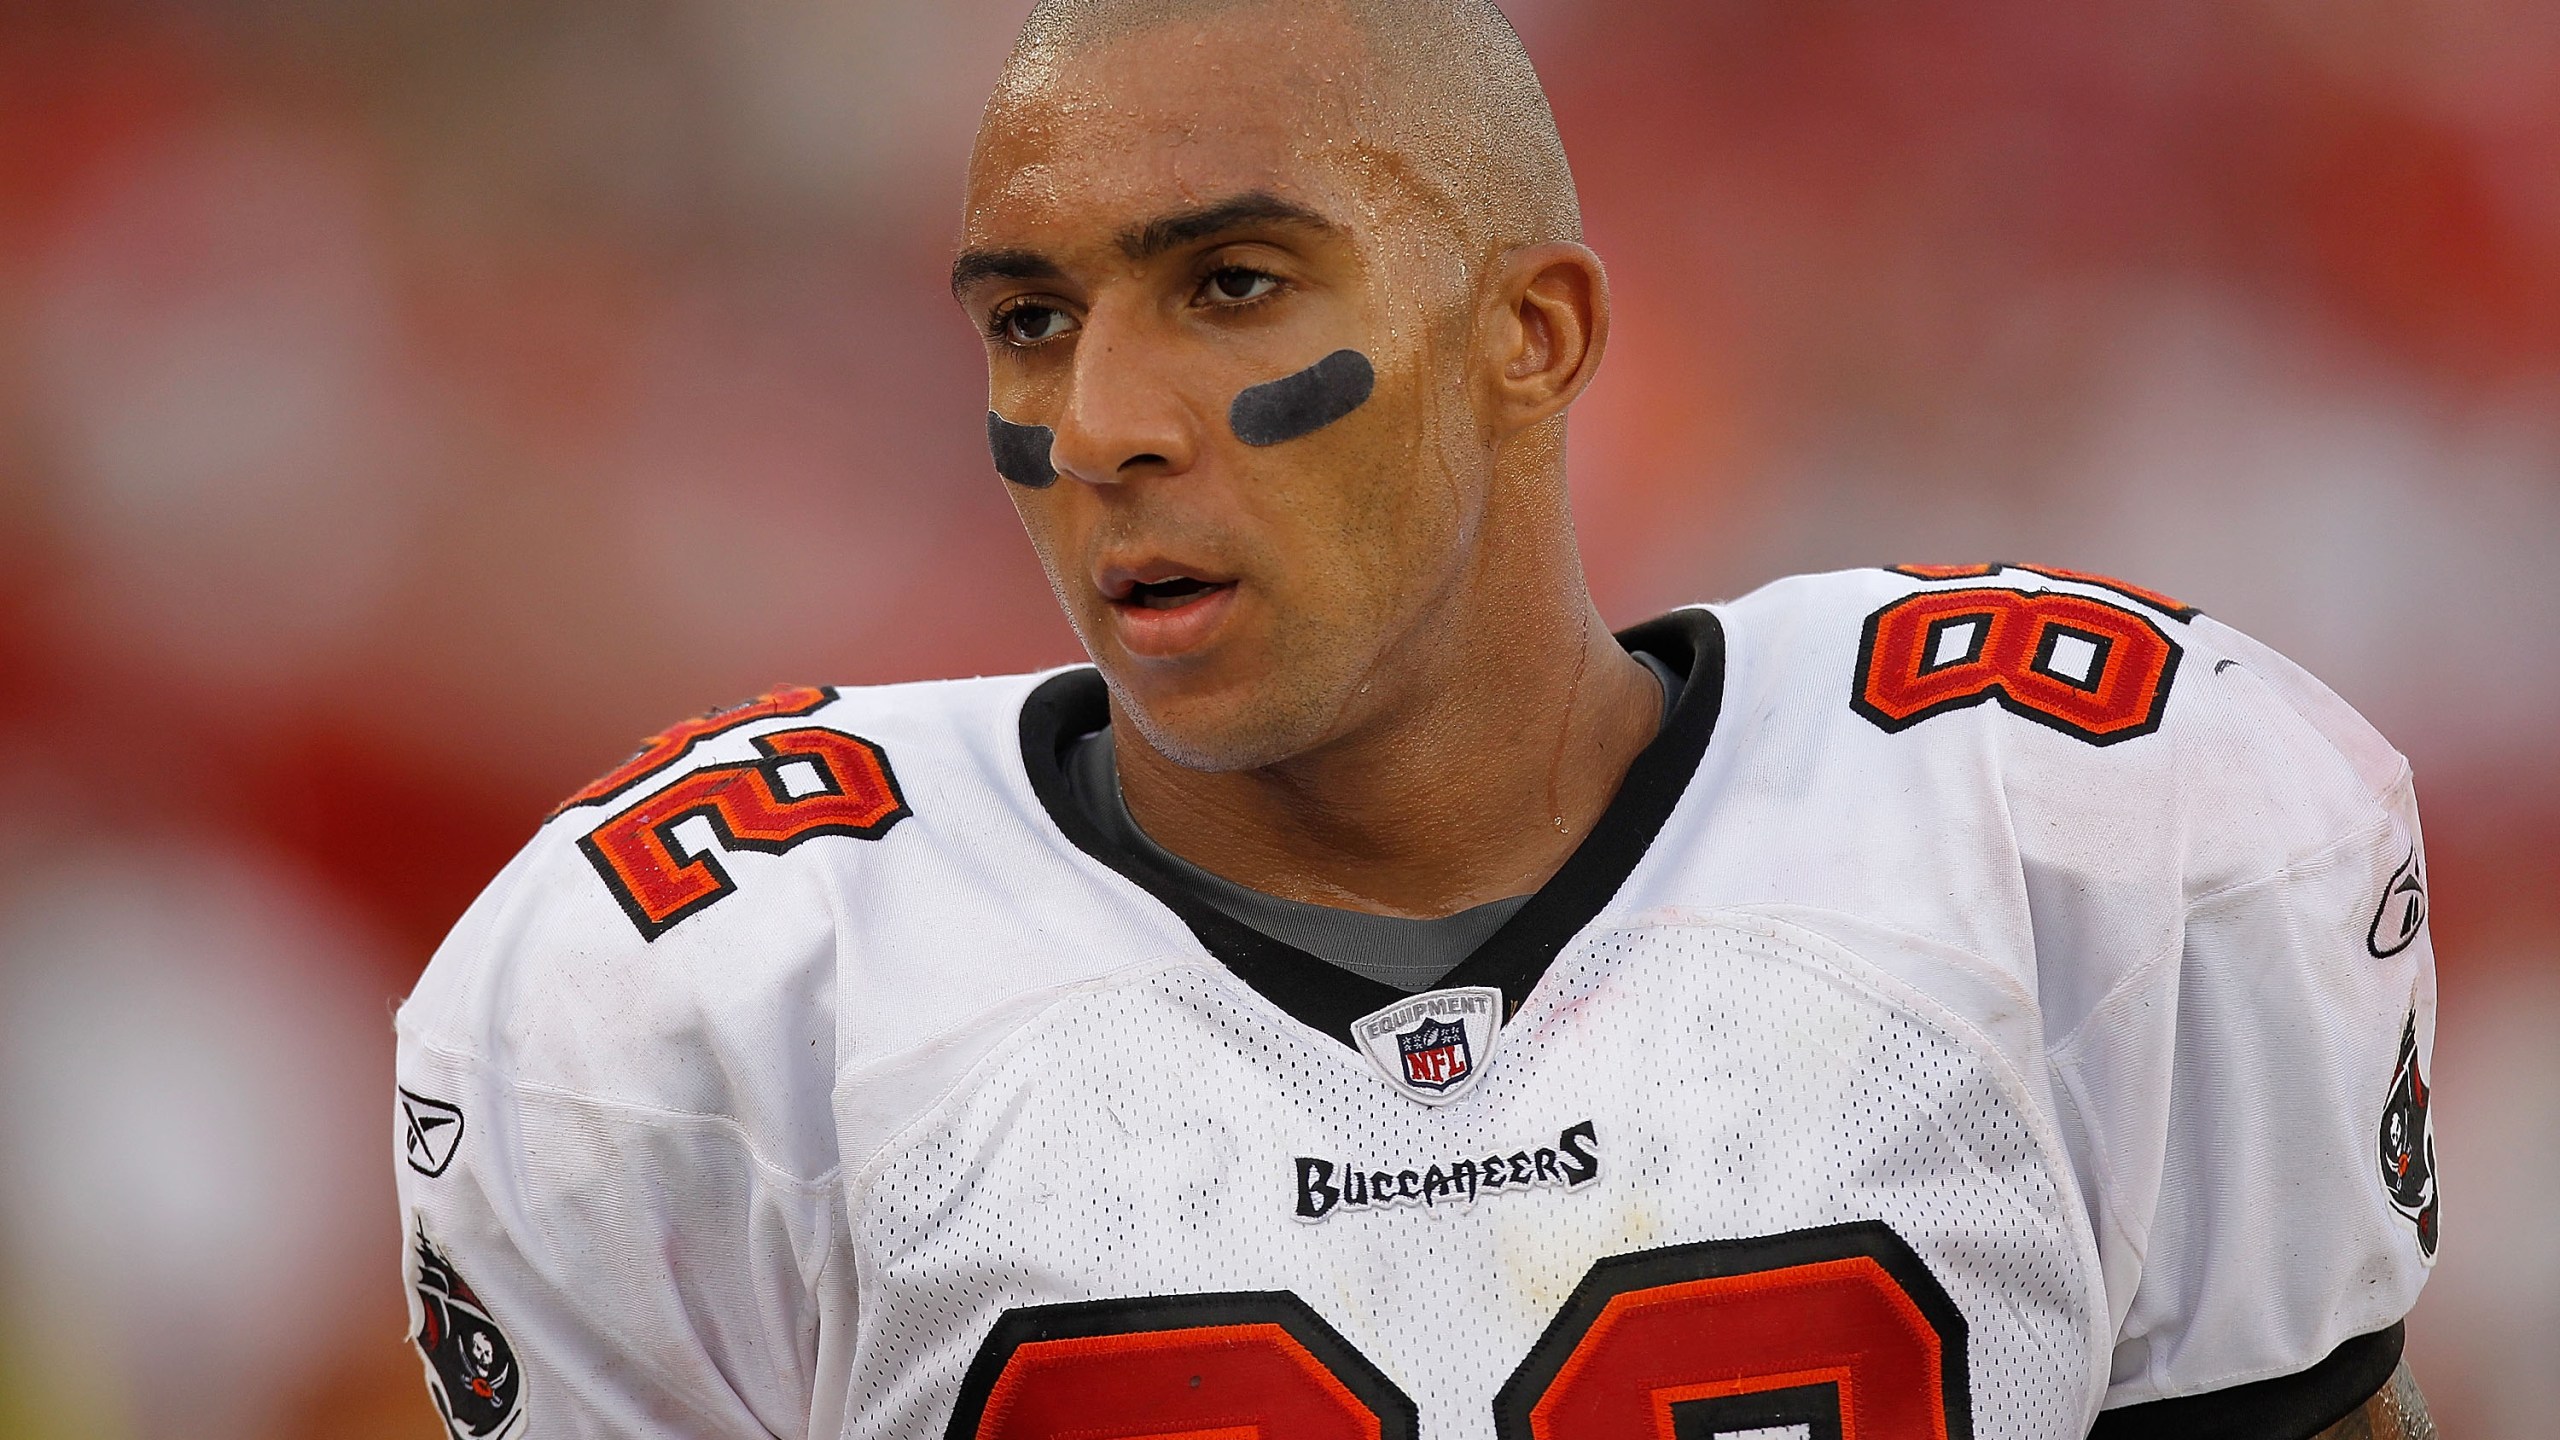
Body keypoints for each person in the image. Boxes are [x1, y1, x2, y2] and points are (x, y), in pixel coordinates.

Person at [393, 2, 2442, 1436]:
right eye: (1030, 319)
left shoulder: (2063, 827)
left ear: (1526, 335)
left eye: (1230, 288)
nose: (1098, 424)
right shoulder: (713, 1000)